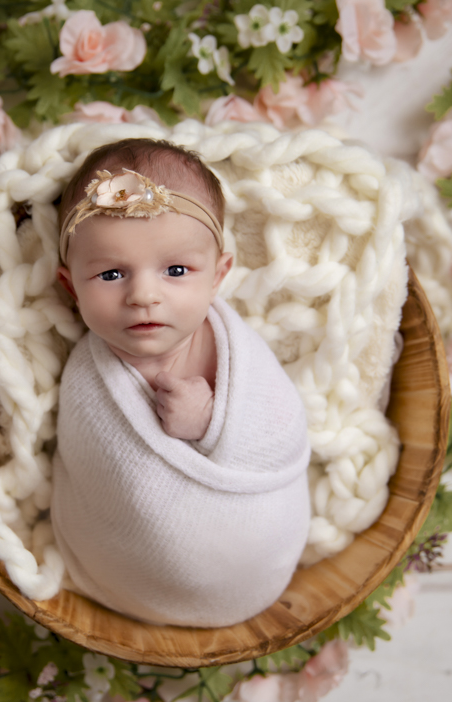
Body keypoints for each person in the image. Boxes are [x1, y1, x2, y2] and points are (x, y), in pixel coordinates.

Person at [50, 138, 311, 628]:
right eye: (110, 274)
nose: (144, 295)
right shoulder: (88, 379)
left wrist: (213, 423)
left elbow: (282, 431)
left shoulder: (234, 349)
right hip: (136, 569)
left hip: (259, 556)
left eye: (176, 270)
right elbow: (101, 476)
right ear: (71, 287)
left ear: (218, 275)